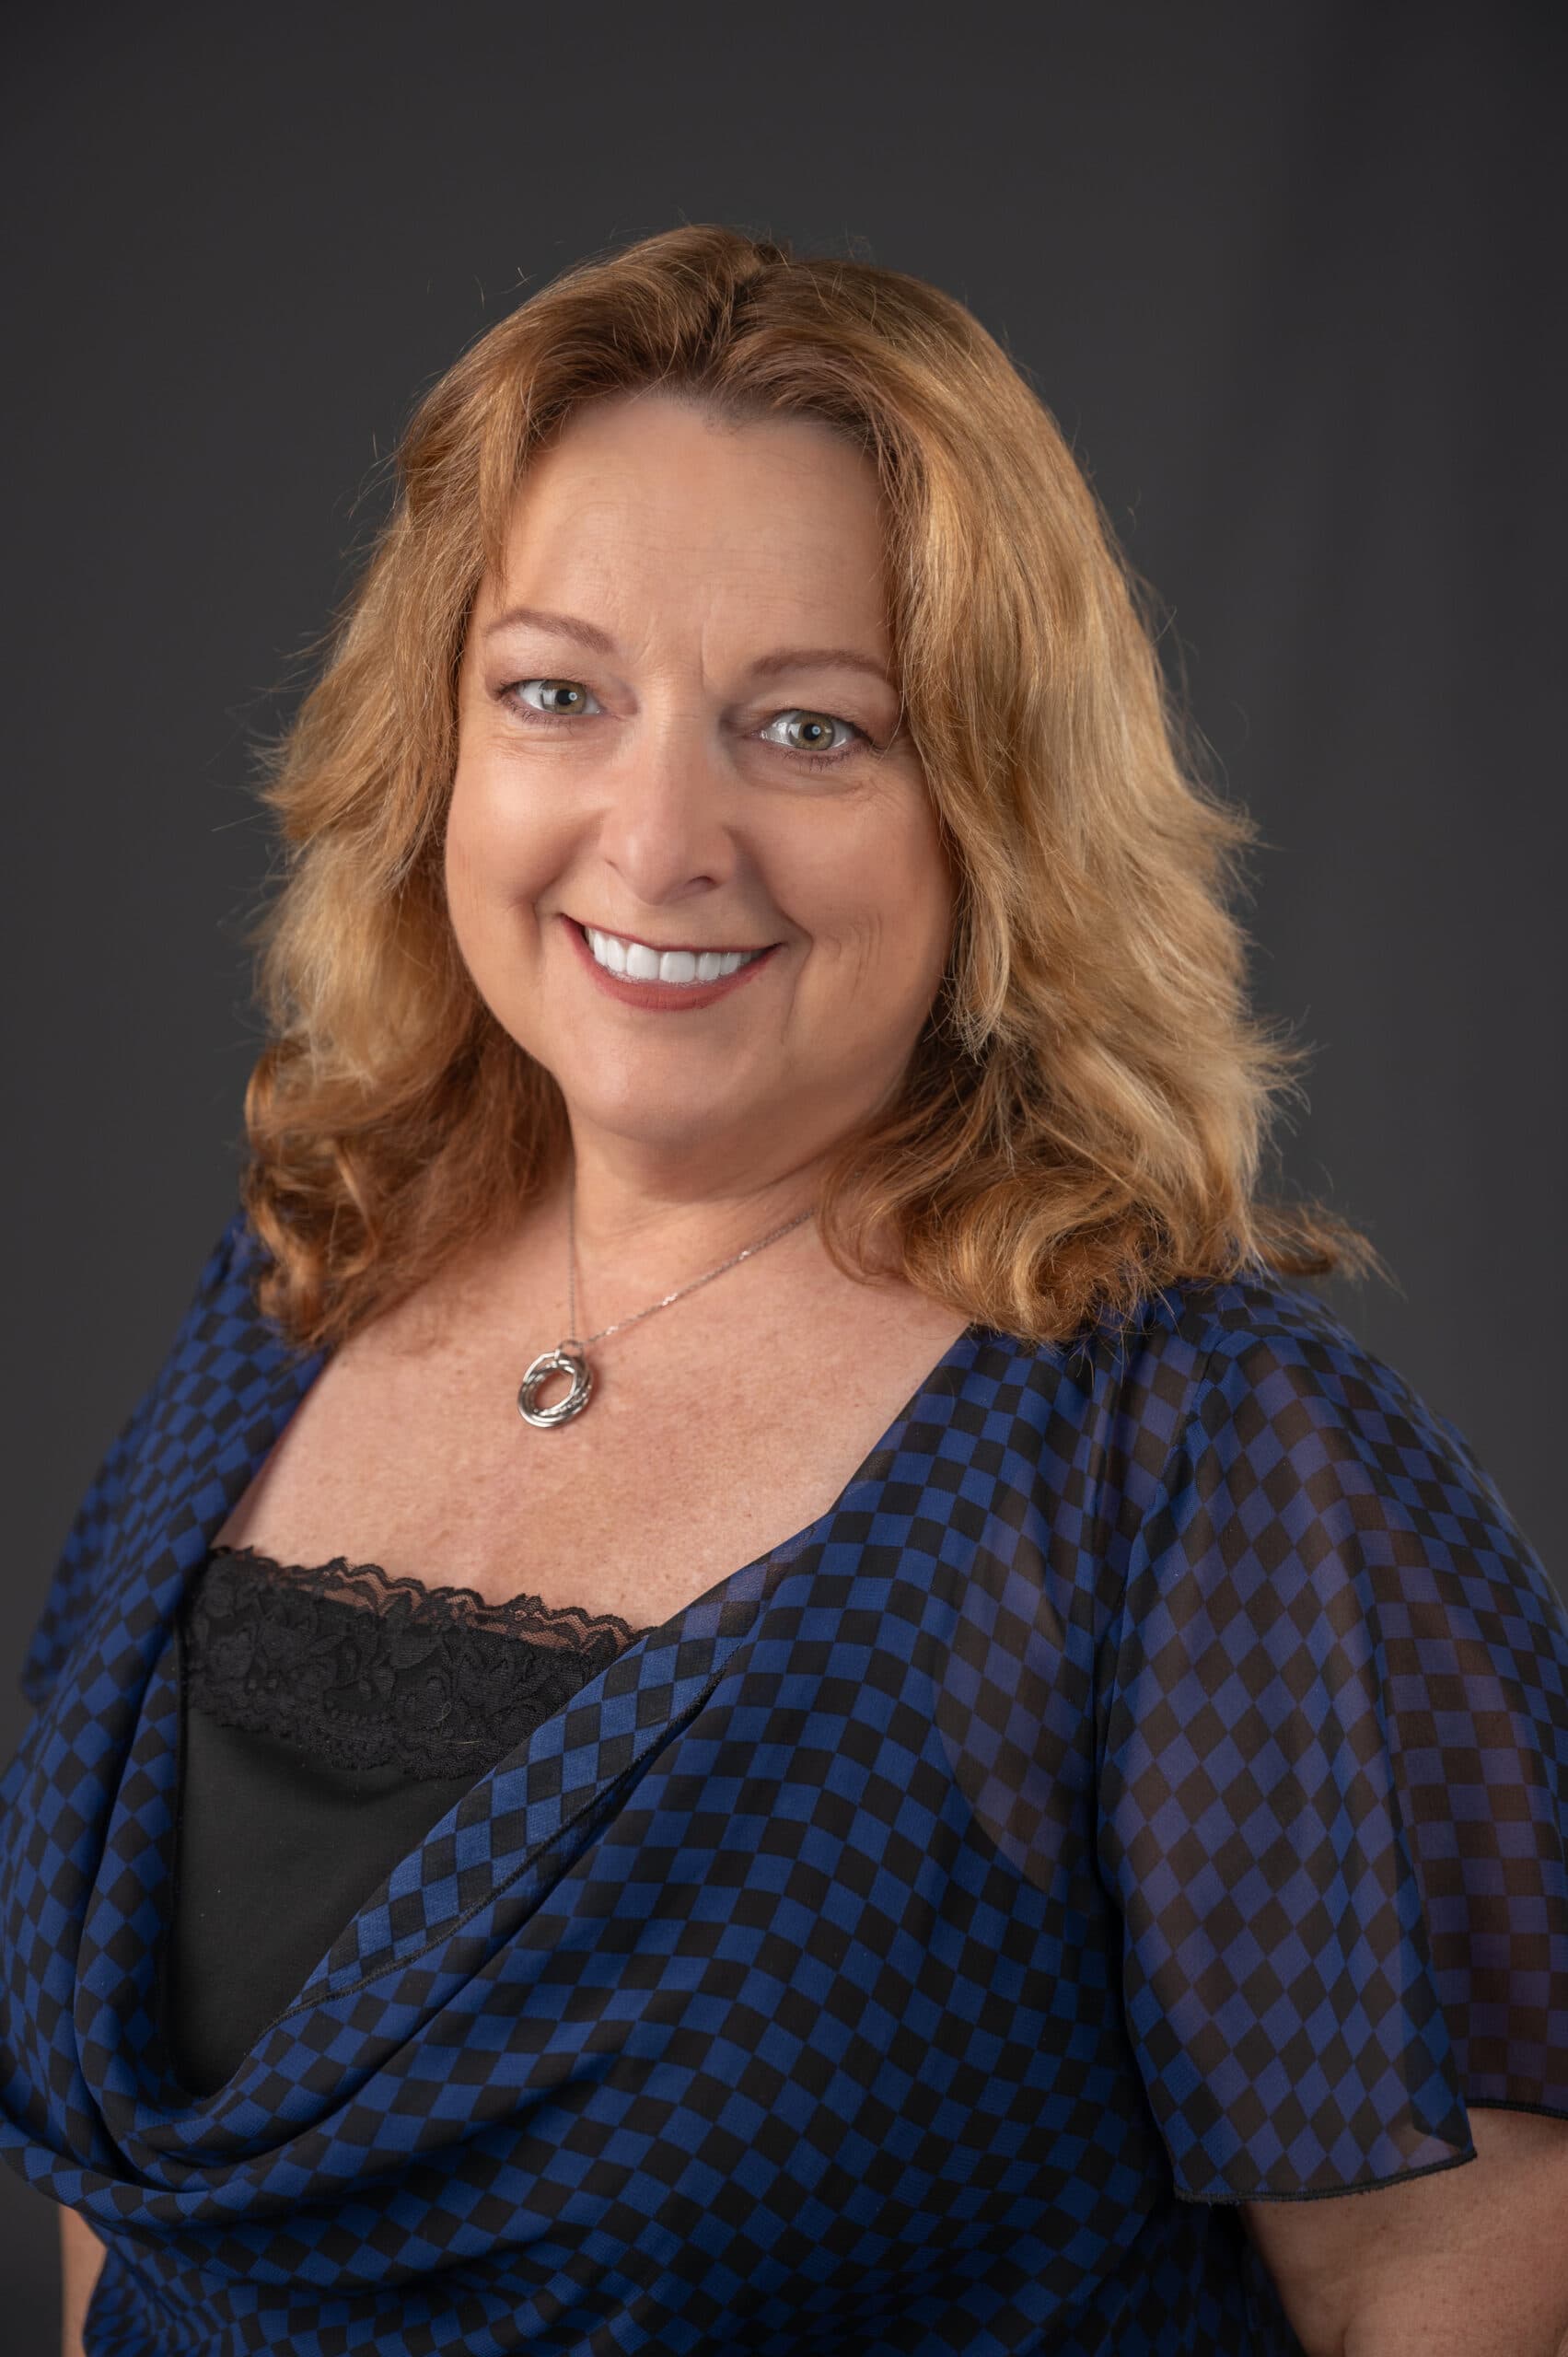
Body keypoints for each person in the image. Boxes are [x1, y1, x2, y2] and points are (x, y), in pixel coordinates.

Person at [4, 222, 1564, 2357]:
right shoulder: (296, 1278)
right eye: (558, 694)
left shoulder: (1184, 1461)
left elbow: (1456, 2286)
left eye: (813, 731)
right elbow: (132, 2205)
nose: (660, 840)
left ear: (993, 810)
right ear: (437, 740)